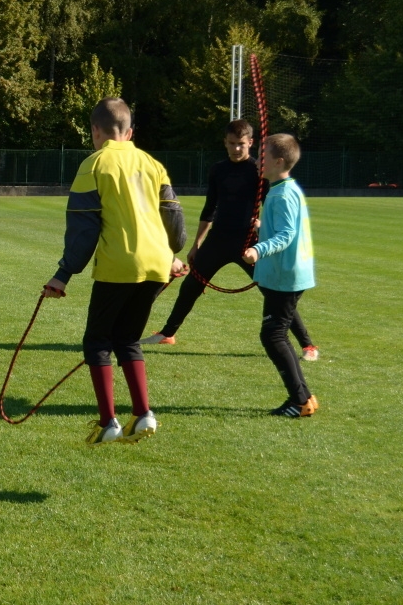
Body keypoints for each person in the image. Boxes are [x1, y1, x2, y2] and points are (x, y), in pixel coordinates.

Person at [43, 98, 187, 445]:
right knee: (128, 339)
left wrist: (63, 275)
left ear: (95, 130)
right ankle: (143, 414)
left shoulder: (93, 165)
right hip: (157, 266)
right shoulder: (153, 164)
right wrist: (172, 253)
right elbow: (175, 220)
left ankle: (109, 423)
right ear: (130, 131)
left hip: (119, 265)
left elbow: (84, 230)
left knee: (97, 342)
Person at [142, 120, 318, 360]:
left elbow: (273, 210)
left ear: (251, 143)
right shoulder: (218, 170)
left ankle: (308, 346)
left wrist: (262, 234)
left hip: (248, 243)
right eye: (232, 144)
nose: (236, 149)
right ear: (225, 142)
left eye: (242, 144)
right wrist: (196, 245)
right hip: (217, 240)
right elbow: (209, 208)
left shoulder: (259, 170)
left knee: (273, 294)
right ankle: (168, 333)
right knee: (192, 285)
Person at [243, 134, 318, 418]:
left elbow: (287, 235)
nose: (258, 159)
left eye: (262, 155)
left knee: (273, 336)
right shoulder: (283, 189)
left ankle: (300, 401)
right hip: (285, 274)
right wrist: (264, 225)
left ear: (278, 162)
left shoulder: (283, 193)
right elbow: (285, 227)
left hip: (285, 276)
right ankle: (304, 397)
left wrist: (259, 249)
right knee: (276, 335)